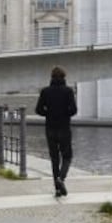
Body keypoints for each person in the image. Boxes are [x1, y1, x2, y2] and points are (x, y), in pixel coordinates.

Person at [35, 66, 77, 197]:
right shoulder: (68, 91)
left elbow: (38, 110)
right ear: (64, 77)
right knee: (67, 156)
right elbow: (74, 110)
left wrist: (49, 113)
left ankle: (57, 189)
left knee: (54, 158)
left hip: (50, 128)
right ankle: (61, 179)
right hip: (64, 128)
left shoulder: (45, 91)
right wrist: (65, 113)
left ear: (51, 77)